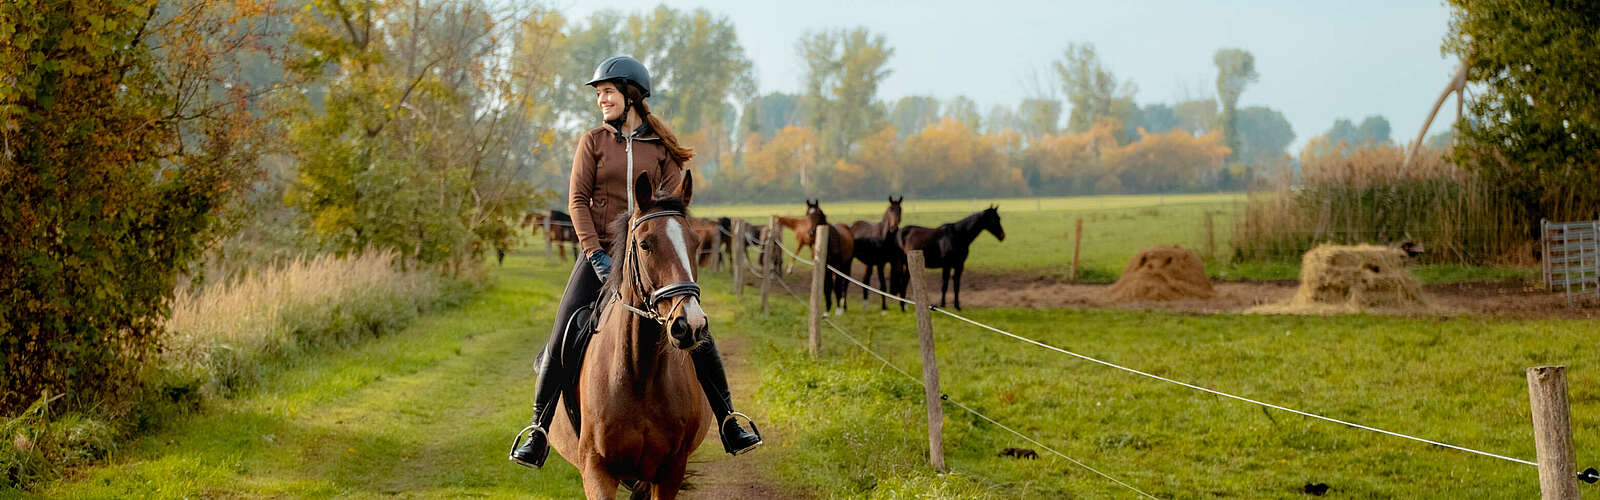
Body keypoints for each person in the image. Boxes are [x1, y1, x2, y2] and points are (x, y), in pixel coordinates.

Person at [509, 56, 762, 469]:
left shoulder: (660, 149)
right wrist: (594, 254)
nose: (601, 100)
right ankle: (537, 428)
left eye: (607, 92)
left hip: (651, 253)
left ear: (632, 96)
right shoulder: (592, 142)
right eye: (598, 94)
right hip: (602, 254)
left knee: (697, 326)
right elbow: (577, 202)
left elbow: (674, 206)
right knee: (564, 329)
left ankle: (729, 419)